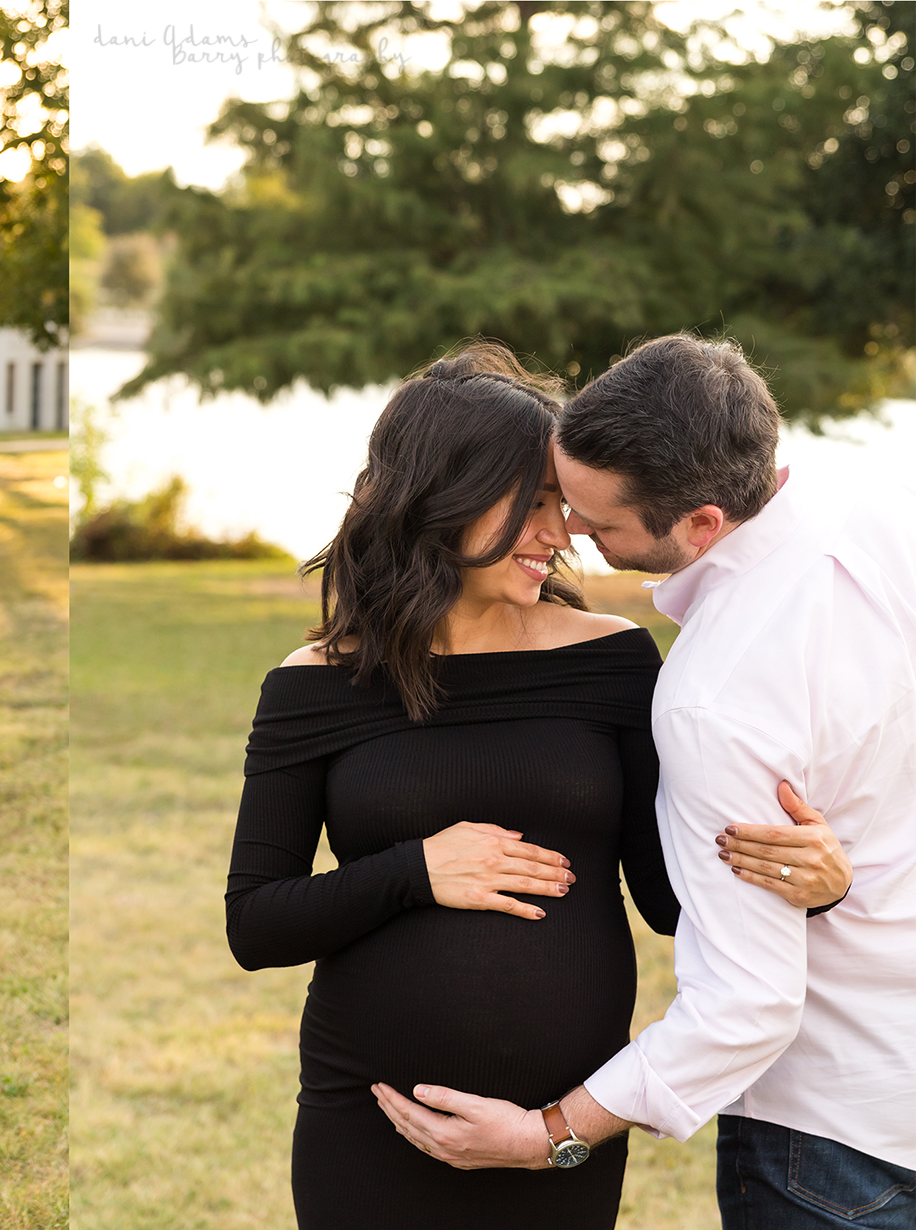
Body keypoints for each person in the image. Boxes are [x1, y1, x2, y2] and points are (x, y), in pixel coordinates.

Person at [225, 341, 851, 1229]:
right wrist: (417, 870)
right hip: (372, 1125)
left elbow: (674, 902)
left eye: (562, 505)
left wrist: (806, 886)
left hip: (561, 1127)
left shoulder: (614, 661)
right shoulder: (316, 682)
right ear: (442, 496)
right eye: (535, 505)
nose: (561, 535)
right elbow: (255, 923)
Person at [374, 334, 915, 1228]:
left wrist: (550, 1133)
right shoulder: (883, 509)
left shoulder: (718, 695)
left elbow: (747, 1007)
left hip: (834, 1132)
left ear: (700, 523)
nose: (568, 532)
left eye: (597, 519)